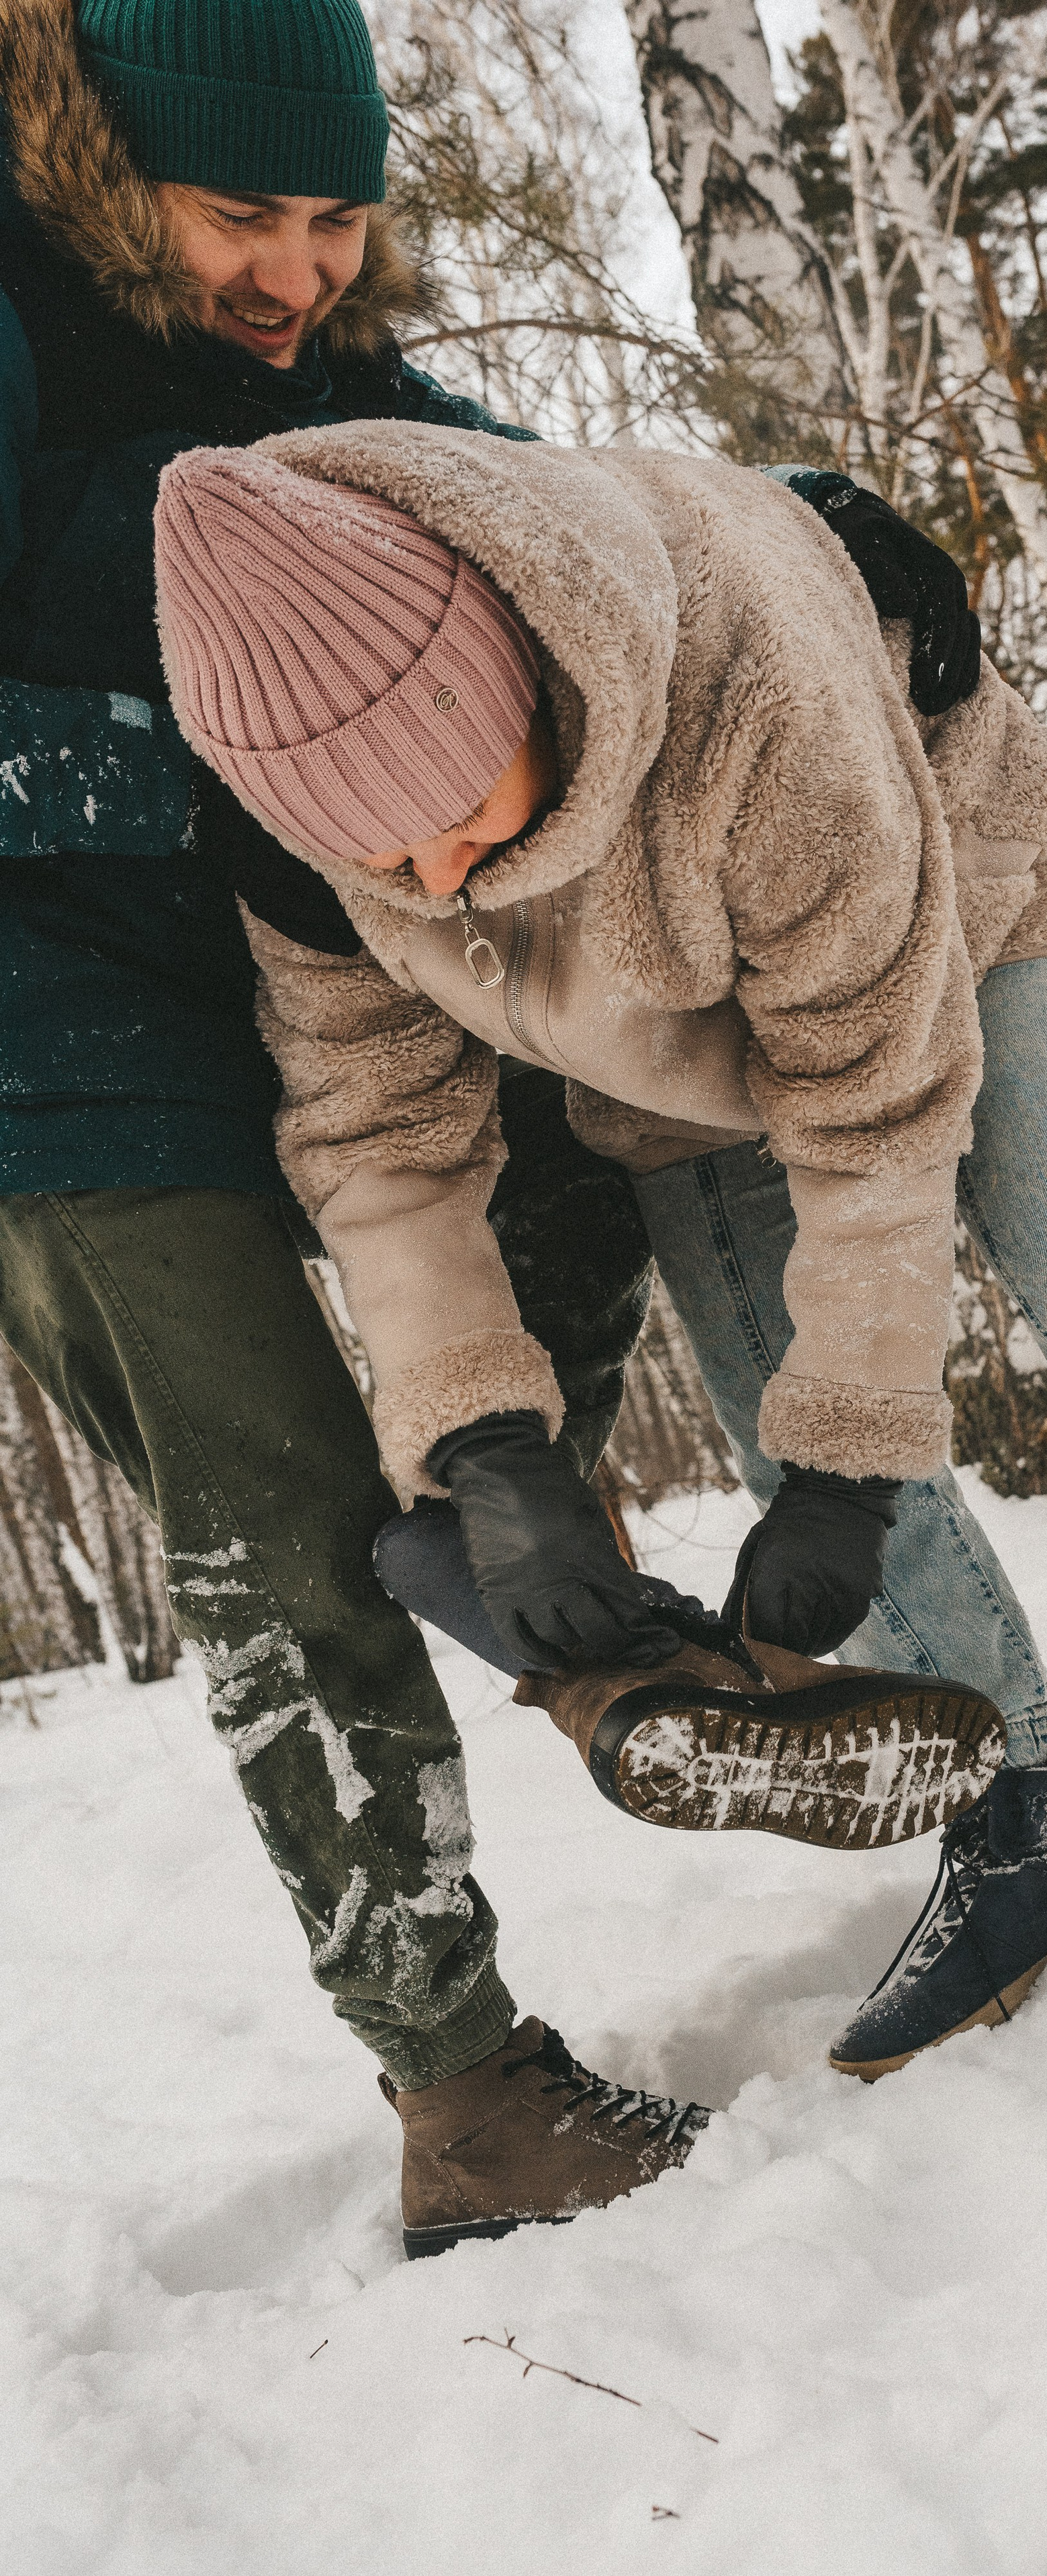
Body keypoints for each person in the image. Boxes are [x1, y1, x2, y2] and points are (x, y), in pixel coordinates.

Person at [153, 424, 1047, 2094]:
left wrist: (853, 1462)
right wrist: (487, 1445)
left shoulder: (743, 689)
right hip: (657, 1055)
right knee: (782, 1406)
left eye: (454, 820)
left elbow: (870, 1103)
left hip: (946, 905)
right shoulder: (307, 864)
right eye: (383, 862)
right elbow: (381, 1148)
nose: (432, 881)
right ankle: (1020, 1827)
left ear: (507, 690)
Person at [0, 0, 731, 2254]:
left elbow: (507, 494)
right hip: (51, 1044)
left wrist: (772, 546)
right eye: (244, 214)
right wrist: (277, 594)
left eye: (339, 219)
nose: (297, 269)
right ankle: (466, 2088)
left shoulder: (308, 359)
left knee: (568, 1195)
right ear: (103, 162)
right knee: (276, 1532)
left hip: (272, 975)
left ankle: (526, 1572)